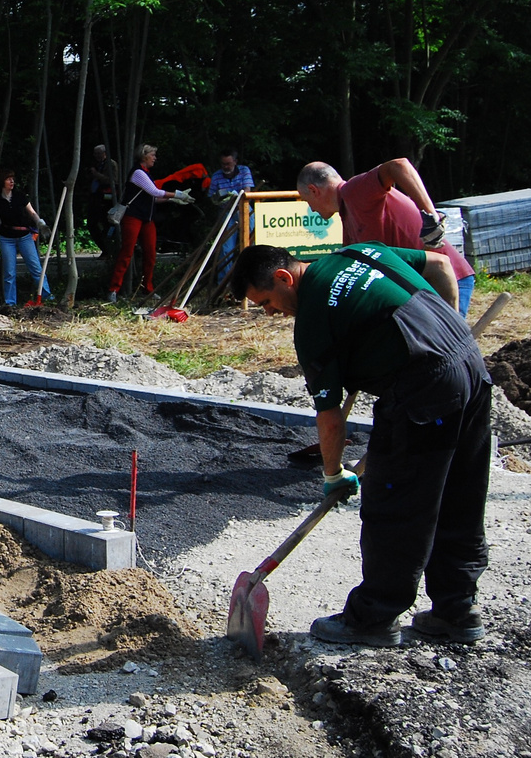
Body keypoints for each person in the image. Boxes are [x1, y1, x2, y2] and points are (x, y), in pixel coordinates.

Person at [229, 241, 491, 647]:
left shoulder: (314, 319)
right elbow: (440, 264)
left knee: (396, 504)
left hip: (423, 392)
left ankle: (373, 618)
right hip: (470, 367)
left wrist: (333, 474)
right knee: (460, 495)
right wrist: (452, 325)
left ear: (284, 278)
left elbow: (330, 418)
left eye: (266, 302)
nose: (269, 313)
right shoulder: (359, 253)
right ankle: (457, 611)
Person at [297, 159, 477, 318]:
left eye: (307, 201)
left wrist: (431, 216)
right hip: (422, 289)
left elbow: (399, 166)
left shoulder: (354, 191)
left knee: (446, 347)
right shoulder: (348, 216)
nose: (312, 209)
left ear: (314, 190)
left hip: (446, 281)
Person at [106, 145, 191, 303]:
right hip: (133, 217)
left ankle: (148, 288)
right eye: (152, 155)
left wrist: (173, 199)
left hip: (146, 218)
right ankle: (113, 289)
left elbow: (154, 198)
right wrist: (177, 194)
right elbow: (155, 192)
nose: (155, 158)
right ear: (144, 156)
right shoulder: (138, 172)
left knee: (151, 254)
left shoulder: (146, 173)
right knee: (126, 253)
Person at [0, 169, 48, 308]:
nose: (12, 182)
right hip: (6, 239)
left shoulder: (20, 196)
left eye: (13, 179)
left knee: (36, 268)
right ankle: (10, 303)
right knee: (9, 273)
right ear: (1, 182)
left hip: (24, 237)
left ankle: (46, 295)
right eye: (9, 179)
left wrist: (41, 223)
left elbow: (32, 213)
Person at [208, 148, 255, 284]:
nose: (226, 167)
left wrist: (236, 196)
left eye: (228, 164)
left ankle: (253, 279)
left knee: (251, 242)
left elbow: (247, 191)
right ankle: (225, 283)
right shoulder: (217, 176)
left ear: (235, 162)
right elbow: (211, 196)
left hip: (243, 208)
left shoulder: (244, 171)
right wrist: (218, 199)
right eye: (223, 164)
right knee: (225, 248)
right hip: (226, 210)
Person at [86, 145, 121, 257]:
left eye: (99, 153)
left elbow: (113, 180)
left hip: (106, 198)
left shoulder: (111, 164)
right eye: (95, 153)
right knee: (92, 224)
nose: (97, 156)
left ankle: (109, 250)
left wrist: (97, 175)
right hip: (95, 197)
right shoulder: (95, 164)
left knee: (106, 224)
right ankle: (105, 249)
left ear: (105, 153)